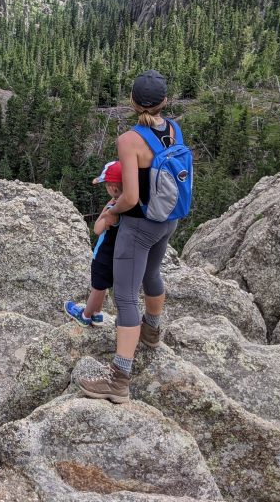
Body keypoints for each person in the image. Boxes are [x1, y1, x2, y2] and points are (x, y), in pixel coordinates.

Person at [79, 70, 189, 404]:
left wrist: (111, 212)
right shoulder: (173, 128)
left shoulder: (129, 141)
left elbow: (129, 196)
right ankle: (152, 331)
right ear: (164, 102)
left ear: (131, 102)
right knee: (152, 275)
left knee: (125, 297)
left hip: (139, 226)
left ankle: (118, 380)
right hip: (167, 221)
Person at [64, 160, 123, 327]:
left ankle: (86, 314)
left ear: (113, 188)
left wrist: (104, 214)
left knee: (97, 286)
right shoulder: (127, 205)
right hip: (116, 255)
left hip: (104, 255)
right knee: (103, 285)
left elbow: (97, 229)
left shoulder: (114, 209)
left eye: (106, 185)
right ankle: (97, 313)